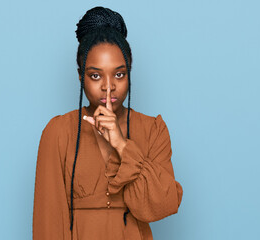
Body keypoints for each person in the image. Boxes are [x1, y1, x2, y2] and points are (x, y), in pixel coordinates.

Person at [32, 6, 183, 240]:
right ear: (80, 75)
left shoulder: (153, 130)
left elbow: (164, 204)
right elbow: (48, 221)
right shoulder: (58, 132)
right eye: (95, 75)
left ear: (129, 72)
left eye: (119, 74)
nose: (108, 86)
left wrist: (122, 145)